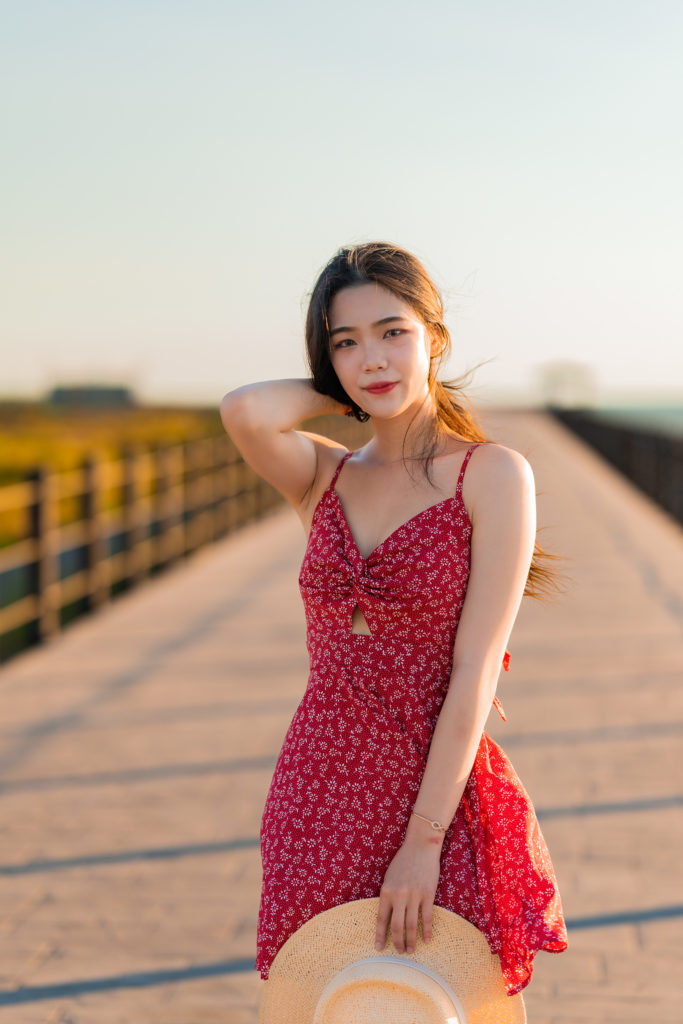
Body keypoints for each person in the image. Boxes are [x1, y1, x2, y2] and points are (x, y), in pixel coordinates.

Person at [220, 240, 568, 999]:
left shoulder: (491, 474)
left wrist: (421, 843)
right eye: (346, 343)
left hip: (431, 792)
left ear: (434, 339)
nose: (372, 358)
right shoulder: (324, 474)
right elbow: (244, 410)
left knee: (434, 1003)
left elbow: (476, 669)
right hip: (317, 787)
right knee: (324, 1002)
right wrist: (348, 387)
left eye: (392, 333)